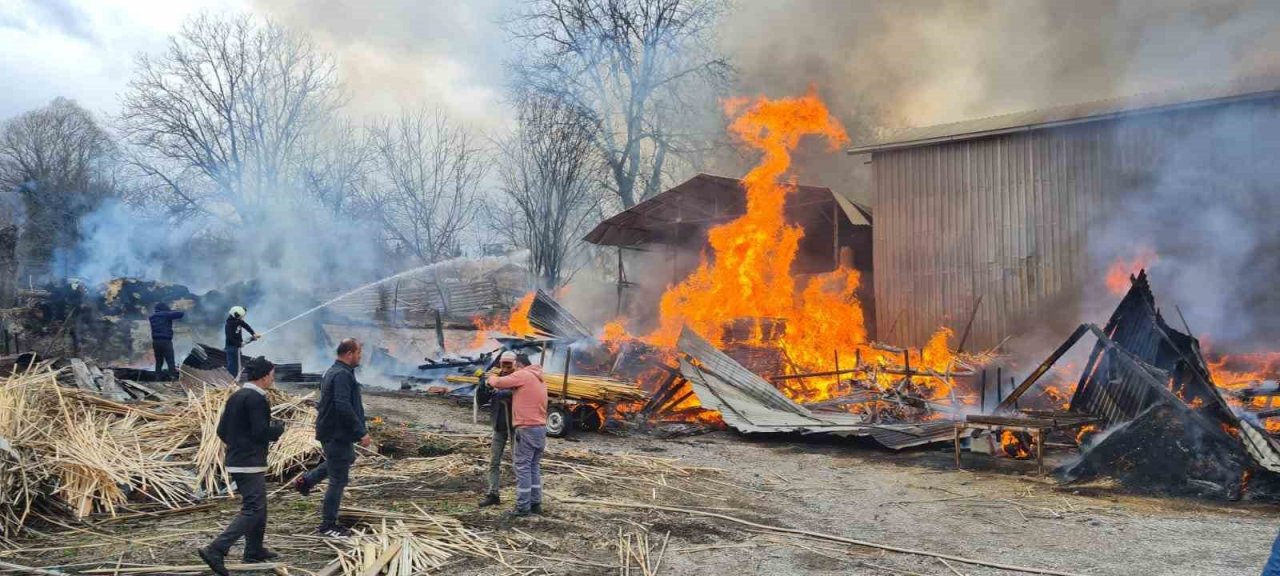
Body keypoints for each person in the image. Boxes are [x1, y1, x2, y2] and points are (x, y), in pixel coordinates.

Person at [198, 357, 285, 576]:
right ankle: (216, 549)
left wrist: (237, 445)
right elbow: (260, 432)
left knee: (259, 506)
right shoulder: (257, 398)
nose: (273, 379)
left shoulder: (237, 396)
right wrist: (277, 430)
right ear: (264, 377)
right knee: (253, 508)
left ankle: (254, 550)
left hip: (238, 459)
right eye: (272, 375)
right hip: (250, 462)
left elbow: (222, 430)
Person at [293, 338, 369, 537]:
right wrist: (361, 431)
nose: (360, 357)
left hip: (333, 431)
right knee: (338, 479)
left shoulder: (332, 371)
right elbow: (342, 405)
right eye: (359, 353)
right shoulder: (341, 375)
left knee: (347, 458)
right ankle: (328, 525)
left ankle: (306, 481)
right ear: (349, 354)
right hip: (336, 433)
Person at [487, 352, 547, 516]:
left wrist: (490, 377)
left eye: (513, 365)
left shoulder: (523, 375)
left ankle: (522, 507)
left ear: (519, 364)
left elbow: (498, 383)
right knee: (533, 466)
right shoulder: (538, 377)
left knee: (522, 467)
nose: (511, 368)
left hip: (526, 428)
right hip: (540, 427)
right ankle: (535, 504)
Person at [478, 356, 516, 508]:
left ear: (514, 365)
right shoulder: (494, 378)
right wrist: (482, 385)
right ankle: (493, 494)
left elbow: (516, 393)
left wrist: (505, 392)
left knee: (519, 463)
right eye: (503, 365)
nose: (505, 368)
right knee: (494, 462)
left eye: (509, 365)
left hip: (515, 427)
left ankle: (523, 497)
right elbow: (481, 400)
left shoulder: (518, 378)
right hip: (499, 427)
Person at [148, 302, 185, 380]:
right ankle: (173, 377)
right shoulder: (166, 315)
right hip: (166, 342)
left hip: (156, 342)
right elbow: (180, 314)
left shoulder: (152, 317)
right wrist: (176, 309)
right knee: (170, 361)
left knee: (159, 361)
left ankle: (157, 378)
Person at [224, 306, 259, 379]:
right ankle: (232, 380)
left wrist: (253, 334)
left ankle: (232, 379)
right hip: (232, 347)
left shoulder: (238, 320)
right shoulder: (229, 324)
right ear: (237, 315)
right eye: (242, 316)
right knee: (234, 366)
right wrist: (239, 344)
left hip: (236, 347)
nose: (243, 317)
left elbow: (246, 325)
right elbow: (230, 338)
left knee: (235, 365)